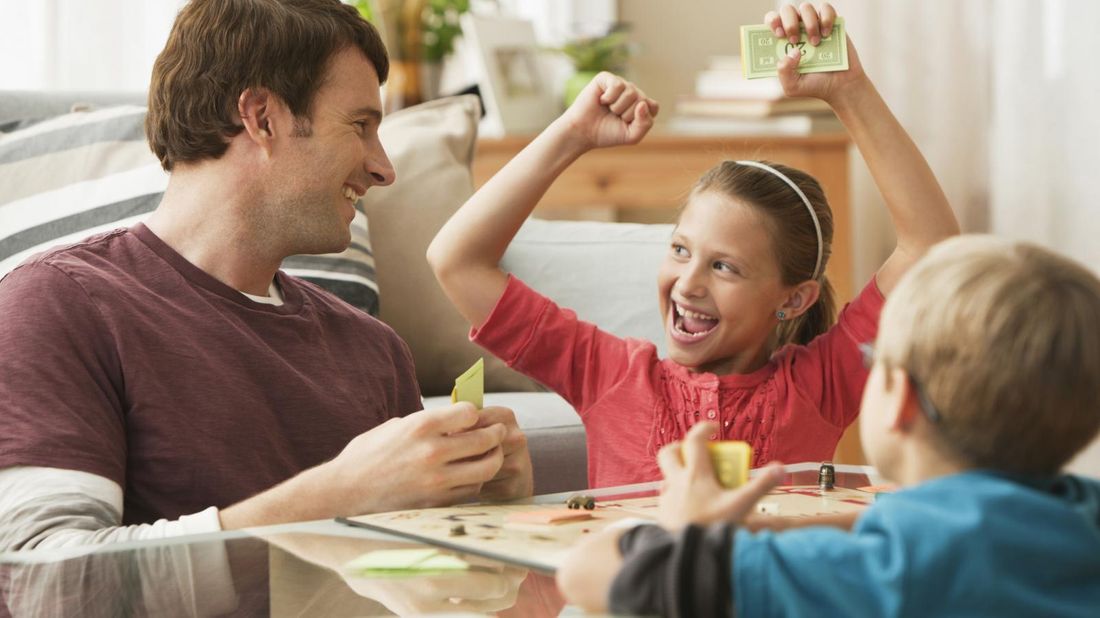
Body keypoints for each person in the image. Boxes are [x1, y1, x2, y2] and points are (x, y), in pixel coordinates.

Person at [0, 0, 532, 553]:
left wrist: (495, 508)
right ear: (261, 117)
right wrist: (338, 496)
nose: (384, 168)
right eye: (360, 126)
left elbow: (420, 579)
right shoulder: (61, 304)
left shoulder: (375, 352)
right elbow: (46, 584)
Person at [427, 3, 958, 488]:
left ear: (794, 299)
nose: (688, 282)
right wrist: (571, 135)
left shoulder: (821, 385)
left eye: (724, 266)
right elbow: (455, 261)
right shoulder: (607, 374)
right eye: (681, 250)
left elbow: (932, 249)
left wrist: (851, 91)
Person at [556, 233, 1100, 616]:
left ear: (901, 398)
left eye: (873, 361)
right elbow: (937, 530)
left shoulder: (877, 574)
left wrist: (690, 531)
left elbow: (586, 573)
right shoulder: (1082, 513)